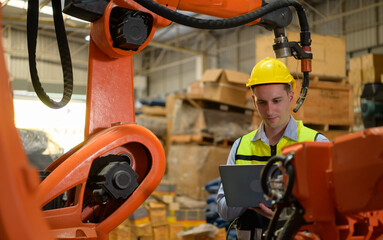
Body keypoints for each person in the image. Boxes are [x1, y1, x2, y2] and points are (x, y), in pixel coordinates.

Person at [216, 57, 329, 240]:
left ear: (290, 97)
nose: (269, 111)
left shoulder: (316, 144)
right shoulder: (240, 147)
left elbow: (329, 209)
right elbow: (223, 211)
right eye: (262, 102)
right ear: (254, 102)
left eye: (277, 101)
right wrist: (247, 197)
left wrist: (281, 218)